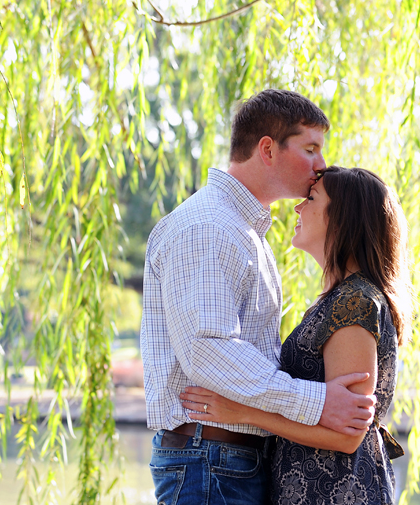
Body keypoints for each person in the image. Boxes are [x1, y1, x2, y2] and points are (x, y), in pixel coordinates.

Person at [141, 90, 378, 505]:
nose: (321, 165)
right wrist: (317, 401)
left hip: (225, 461)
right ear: (267, 149)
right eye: (310, 148)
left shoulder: (244, 231)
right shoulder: (209, 227)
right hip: (210, 462)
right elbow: (209, 349)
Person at [181, 166, 412, 505]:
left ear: (341, 218)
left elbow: (347, 435)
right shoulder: (343, 298)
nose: (297, 207)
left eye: (311, 199)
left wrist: (244, 412)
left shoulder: (356, 302)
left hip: (337, 492)